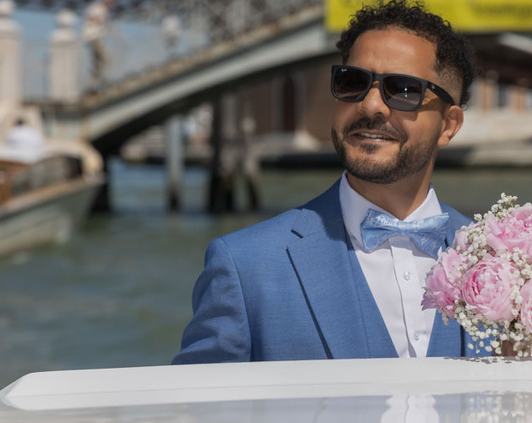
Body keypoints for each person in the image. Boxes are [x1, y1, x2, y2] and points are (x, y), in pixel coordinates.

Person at [173, 0, 479, 364]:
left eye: (403, 89)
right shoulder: (244, 267)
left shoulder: (508, 260)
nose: (371, 105)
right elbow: (203, 400)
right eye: (353, 82)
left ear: (449, 125)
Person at [83, 0, 113, 93]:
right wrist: (98, 20)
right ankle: (101, 81)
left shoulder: (103, 9)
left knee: (98, 63)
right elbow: (90, 19)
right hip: (94, 38)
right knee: (105, 59)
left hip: (95, 38)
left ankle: (91, 85)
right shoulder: (97, 8)